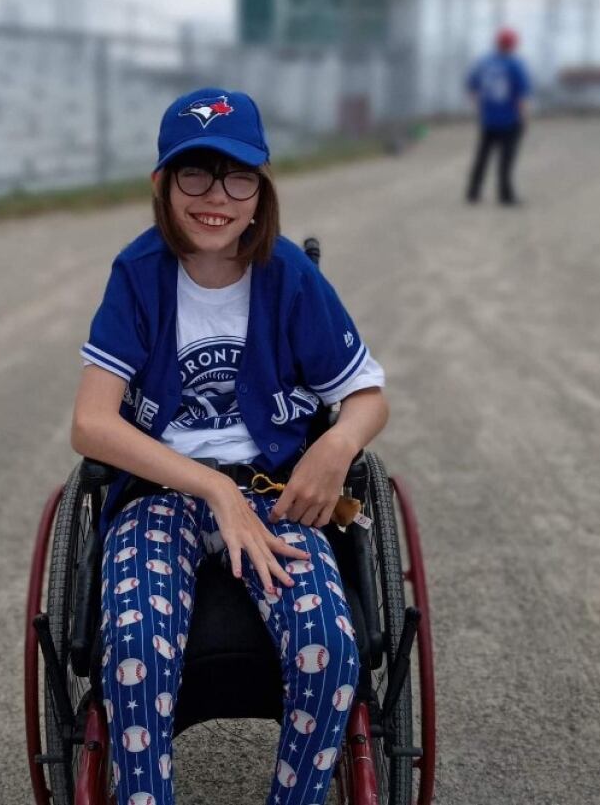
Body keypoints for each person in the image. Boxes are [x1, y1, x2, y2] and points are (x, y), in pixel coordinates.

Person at [70, 87, 389, 805]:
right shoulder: (138, 274)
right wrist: (212, 488)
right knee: (133, 650)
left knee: (332, 651)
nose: (216, 196)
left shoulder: (291, 277)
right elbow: (91, 423)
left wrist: (338, 440)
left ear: (261, 188)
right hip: (160, 493)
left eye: (237, 176)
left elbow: (368, 395)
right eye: (195, 173)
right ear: (161, 182)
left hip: (272, 491)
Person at [465, 27, 531, 206]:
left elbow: (472, 87)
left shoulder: (484, 62)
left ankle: (473, 192)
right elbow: (521, 96)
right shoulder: (515, 64)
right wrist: (524, 118)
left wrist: (479, 108)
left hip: (488, 118)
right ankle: (505, 195)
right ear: (512, 45)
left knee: (482, 157)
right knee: (506, 159)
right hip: (509, 119)